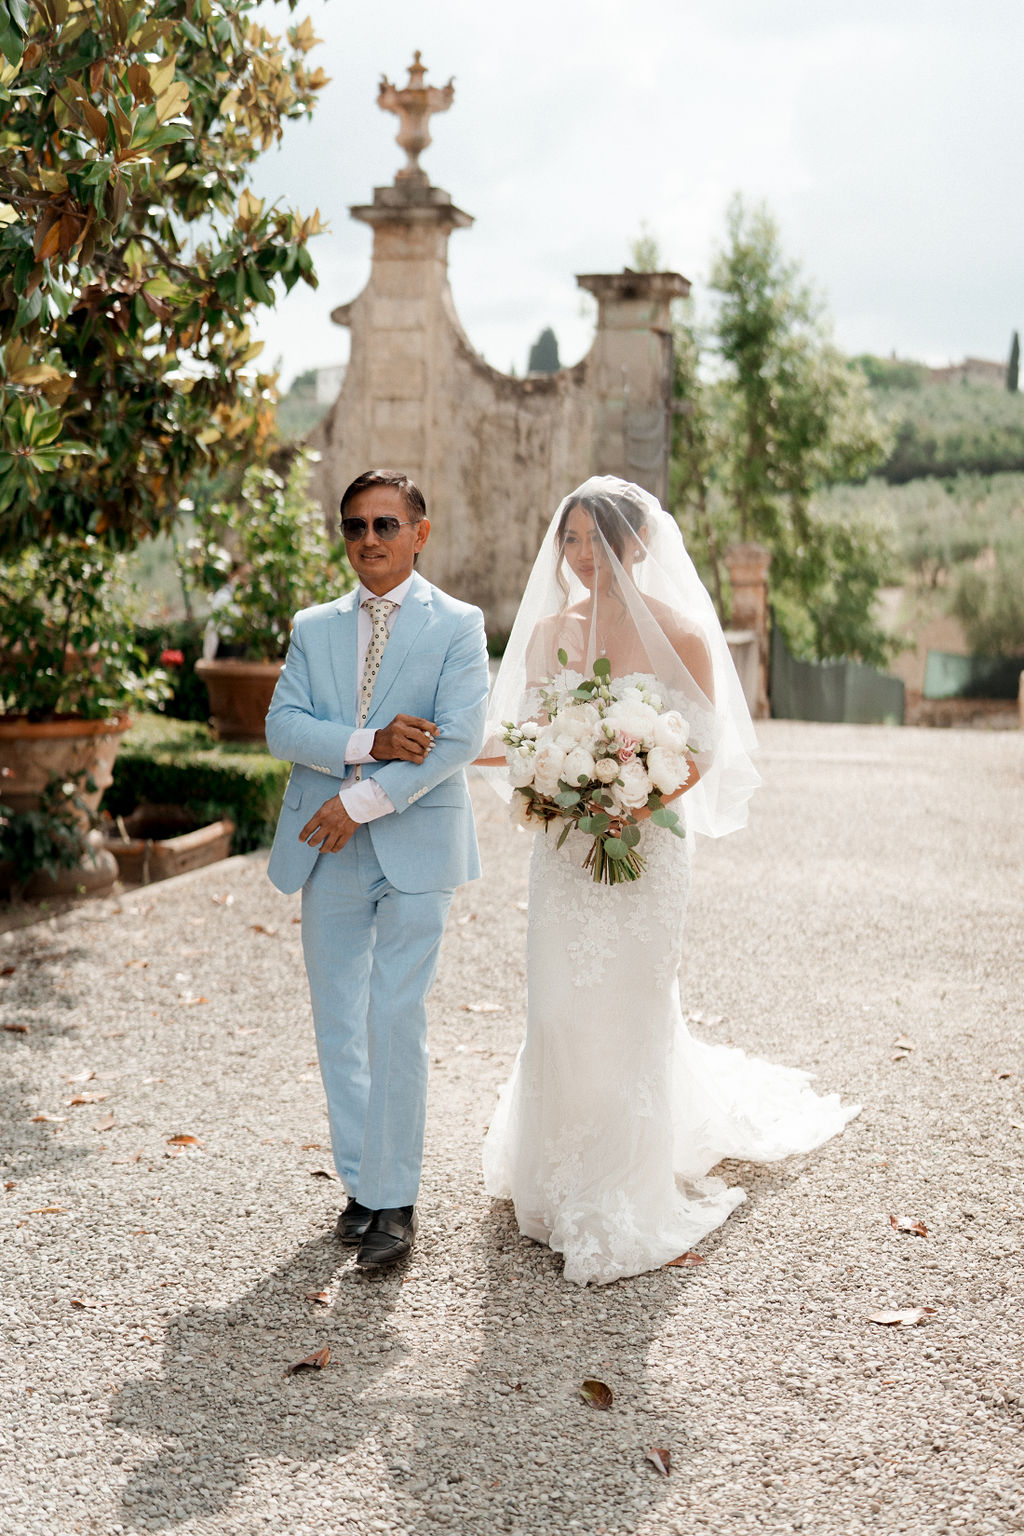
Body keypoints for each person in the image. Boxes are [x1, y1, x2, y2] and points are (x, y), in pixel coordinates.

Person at [479, 476, 859, 1286]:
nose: (584, 557)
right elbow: (526, 733)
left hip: (648, 848)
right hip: (566, 846)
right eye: (572, 541)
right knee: (555, 1002)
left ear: (638, 544)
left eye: (600, 541)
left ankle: (621, 1182)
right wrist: (556, 784)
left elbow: (702, 749)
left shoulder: (684, 634)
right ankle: (551, 1173)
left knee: (629, 1007)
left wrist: (636, 798)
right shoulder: (549, 630)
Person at [265, 470, 489, 1270]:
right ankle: (361, 1182)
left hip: (414, 840)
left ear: (420, 533)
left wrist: (358, 801)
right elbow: (282, 726)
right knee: (340, 1024)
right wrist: (369, 744)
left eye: (385, 525)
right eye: (354, 526)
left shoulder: (458, 625)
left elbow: (458, 740)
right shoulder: (314, 626)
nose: (369, 541)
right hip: (323, 849)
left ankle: (395, 1200)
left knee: (396, 1014)